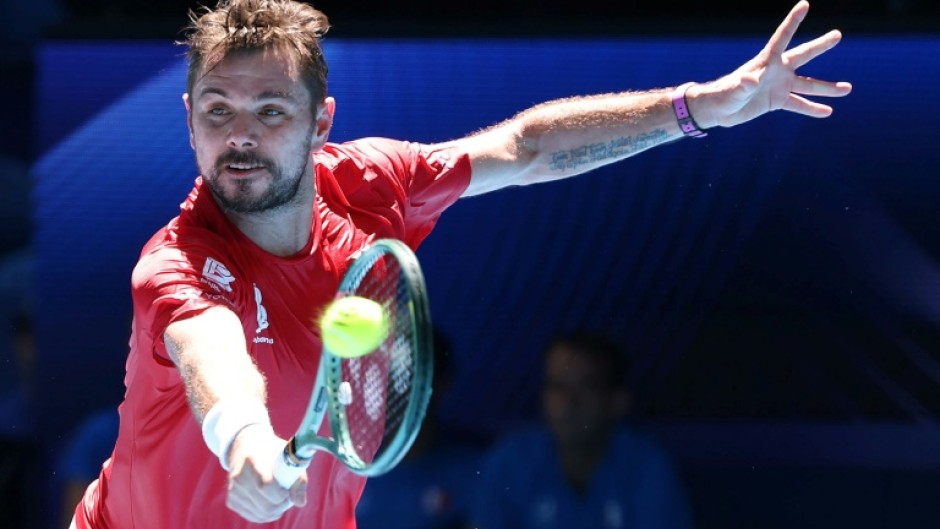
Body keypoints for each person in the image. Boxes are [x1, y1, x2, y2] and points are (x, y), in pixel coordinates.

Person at [66, 0, 850, 527]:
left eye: (270, 111)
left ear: (319, 122)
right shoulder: (178, 261)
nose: (239, 135)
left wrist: (697, 107)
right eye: (217, 110)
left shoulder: (370, 189)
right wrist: (247, 440)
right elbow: (214, 357)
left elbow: (525, 148)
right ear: (190, 119)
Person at [470, 332, 693, 529]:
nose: (568, 402)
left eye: (586, 387)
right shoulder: (511, 459)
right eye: (557, 386)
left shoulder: (646, 463)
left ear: (617, 401)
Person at [355, 328, 483, 529]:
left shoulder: (476, 472)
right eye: (385, 374)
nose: (393, 388)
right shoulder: (346, 468)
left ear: (440, 382)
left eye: (406, 376)